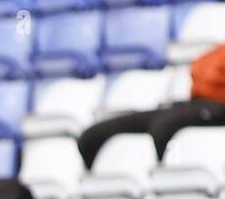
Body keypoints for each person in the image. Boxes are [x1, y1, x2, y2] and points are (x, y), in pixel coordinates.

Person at [78, 43, 225, 169]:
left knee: (165, 126)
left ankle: (161, 178)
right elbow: (204, 71)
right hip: (200, 102)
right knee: (93, 136)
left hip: (213, 106)